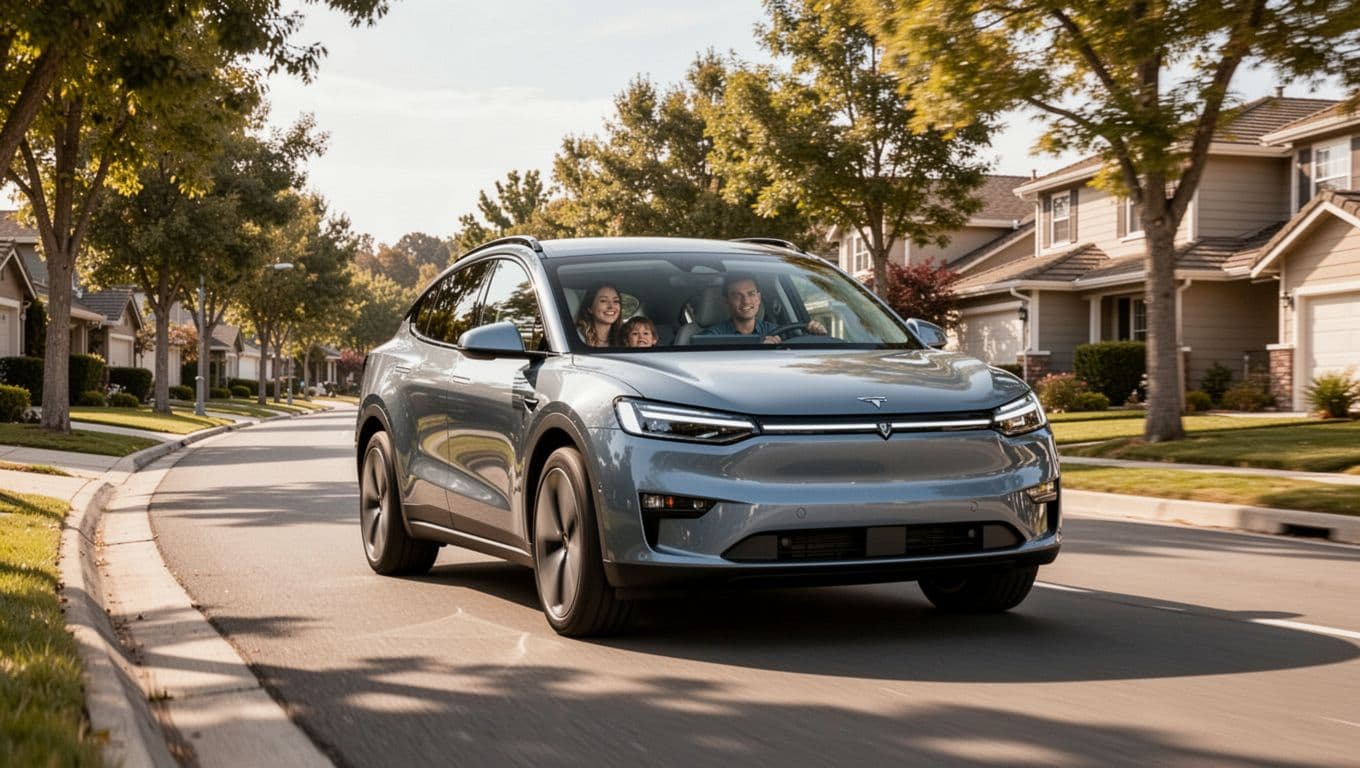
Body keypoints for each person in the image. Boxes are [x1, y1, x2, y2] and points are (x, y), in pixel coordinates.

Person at [699, 273, 825, 343]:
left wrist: (818, 335)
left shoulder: (778, 331)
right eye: (737, 295)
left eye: (751, 294)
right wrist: (759, 348)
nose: (746, 301)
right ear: (726, 301)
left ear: (758, 298)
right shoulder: (712, 336)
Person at [574, 282, 623, 347]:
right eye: (603, 301)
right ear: (590, 308)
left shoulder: (624, 338)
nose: (611, 306)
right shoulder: (577, 338)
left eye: (616, 301)